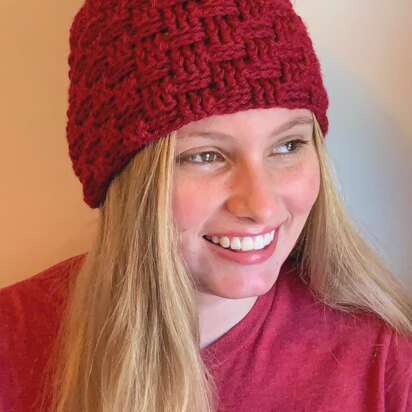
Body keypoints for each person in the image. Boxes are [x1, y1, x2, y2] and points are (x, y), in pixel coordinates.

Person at [0, 0, 411, 411]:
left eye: (288, 145)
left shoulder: (384, 364)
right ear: (127, 180)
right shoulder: (12, 347)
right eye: (206, 156)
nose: (262, 206)